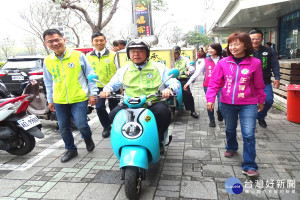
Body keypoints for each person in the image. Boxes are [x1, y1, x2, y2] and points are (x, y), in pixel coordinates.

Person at [100, 39, 180, 153]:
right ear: (128, 54)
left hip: (153, 102)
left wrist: (169, 88)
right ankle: (124, 139)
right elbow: (112, 84)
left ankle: (159, 140)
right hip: (129, 103)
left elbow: (174, 82)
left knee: (164, 114)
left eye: (140, 51)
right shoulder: (124, 70)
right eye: (132, 51)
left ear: (147, 53)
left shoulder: (159, 68)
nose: (136, 54)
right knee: (113, 115)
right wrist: (106, 90)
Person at [206, 32, 266, 177]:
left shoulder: (255, 63)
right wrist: (210, 98)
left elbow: (258, 84)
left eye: (237, 44)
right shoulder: (223, 63)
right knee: (230, 128)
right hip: (227, 102)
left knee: (249, 134)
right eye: (231, 44)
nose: (233, 47)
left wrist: (261, 99)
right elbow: (214, 82)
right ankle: (232, 146)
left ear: (246, 45)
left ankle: (250, 165)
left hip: (248, 103)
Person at [43, 29, 99, 163]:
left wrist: (93, 94)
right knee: (63, 127)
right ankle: (71, 149)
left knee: (81, 124)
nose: (55, 43)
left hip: (79, 98)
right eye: (50, 41)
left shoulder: (78, 55)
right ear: (46, 44)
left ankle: (87, 138)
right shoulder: (47, 61)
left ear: (63, 39)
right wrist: (50, 100)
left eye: (57, 39)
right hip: (59, 100)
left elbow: (91, 76)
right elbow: (48, 82)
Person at [86, 32, 120, 138]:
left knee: (114, 107)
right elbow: (86, 72)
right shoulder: (88, 56)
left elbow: (119, 71)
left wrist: (121, 87)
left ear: (105, 41)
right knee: (99, 107)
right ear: (92, 42)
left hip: (113, 85)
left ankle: (115, 126)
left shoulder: (113, 55)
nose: (99, 42)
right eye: (96, 40)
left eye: (101, 40)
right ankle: (106, 126)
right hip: (97, 86)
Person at [184, 43, 224, 127]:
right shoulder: (205, 61)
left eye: (212, 48)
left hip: (222, 85)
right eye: (208, 49)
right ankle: (211, 119)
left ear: (217, 49)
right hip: (208, 85)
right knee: (210, 103)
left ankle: (220, 112)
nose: (209, 50)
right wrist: (188, 83)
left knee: (222, 103)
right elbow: (197, 72)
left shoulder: (224, 60)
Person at [249, 30, 280, 128]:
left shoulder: (269, 50)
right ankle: (250, 118)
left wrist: (277, 77)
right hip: (249, 82)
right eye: (252, 39)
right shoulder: (245, 50)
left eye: (257, 38)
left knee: (269, 100)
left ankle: (261, 116)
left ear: (262, 39)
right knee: (250, 102)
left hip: (265, 82)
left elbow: (275, 64)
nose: (255, 41)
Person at [173, 46, 199, 118]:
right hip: (170, 80)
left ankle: (192, 110)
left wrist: (189, 71)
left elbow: (191, 67)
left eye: (175, 53)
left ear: (179, 52)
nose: (174, 54)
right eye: (172, 53)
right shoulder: (168, 59)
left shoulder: (184, 59)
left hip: (181, 79)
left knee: (187, 92)